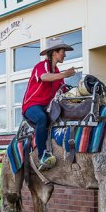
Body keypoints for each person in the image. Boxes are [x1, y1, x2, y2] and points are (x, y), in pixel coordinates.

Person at [21, 37, 77, 171]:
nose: (65, 54)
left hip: (47, 106)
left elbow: (63, 89)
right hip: (32, 105)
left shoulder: (57, 72)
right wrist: (65, 74)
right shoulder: (41, 66)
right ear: (54, 53)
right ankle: (42, 155)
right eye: (63, 51)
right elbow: (44, 77)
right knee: (41, 118)